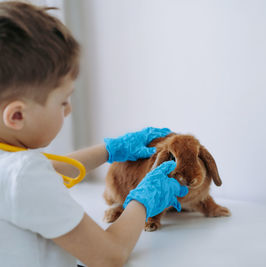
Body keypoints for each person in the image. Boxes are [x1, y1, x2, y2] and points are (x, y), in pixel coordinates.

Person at [0, 2, 188, 267]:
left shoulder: (12, 167)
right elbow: (109, 255)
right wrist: (144, 198)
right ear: (17, 116)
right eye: (63, 101)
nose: (68, 110)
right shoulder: (24, 175)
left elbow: (46, 170)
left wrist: (110, 150)